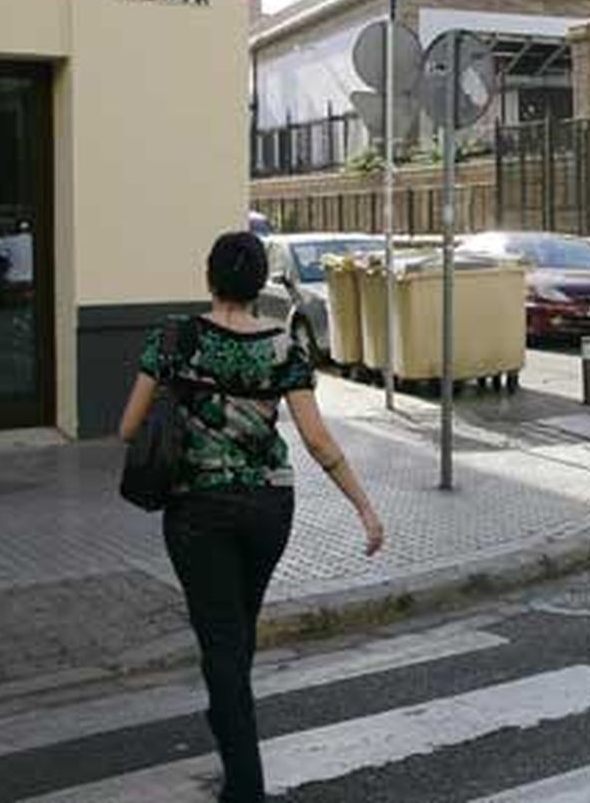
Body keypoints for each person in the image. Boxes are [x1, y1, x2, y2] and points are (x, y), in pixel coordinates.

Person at [117, 231, 384, 803]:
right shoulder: (284, 347)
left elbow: (127, 428)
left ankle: (244, 784)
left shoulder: (174, 338)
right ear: (260, 283)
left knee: (221, 643)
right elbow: (318, 441)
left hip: (198, 511)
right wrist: (364, 506)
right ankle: (228, 719)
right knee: (237, 631)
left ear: (209, 277)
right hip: (270, 508)